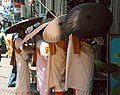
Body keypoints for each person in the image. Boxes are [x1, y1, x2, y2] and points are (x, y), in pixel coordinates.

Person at [14, 28, 34, 95]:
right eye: (23, 32)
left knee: (22, 75)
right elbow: (23, 50)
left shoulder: (18, 40)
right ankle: (22, 91)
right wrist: (31, 50)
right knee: (22, 76)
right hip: (21, 61)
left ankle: (21, 90)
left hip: (21, 60)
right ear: (20, 32)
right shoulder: (19, 40)